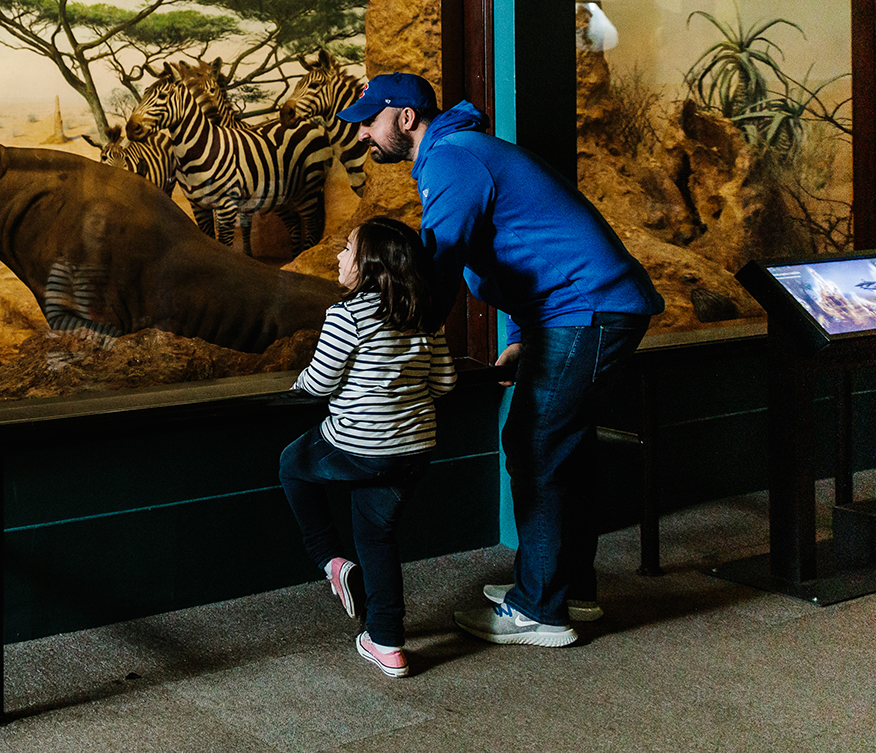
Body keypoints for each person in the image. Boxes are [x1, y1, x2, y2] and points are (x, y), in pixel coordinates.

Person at [339, 72, 661, 648]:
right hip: (578, 310)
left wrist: (380, 338)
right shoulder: (464, 153)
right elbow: (513, 250)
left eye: (370, 121)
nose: (363, 134)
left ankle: (539, 610)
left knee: (535, 444)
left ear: (406, 118)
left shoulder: (452, 160)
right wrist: (518, 331)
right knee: (564, 445)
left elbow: (435, 267)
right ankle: (569, 590)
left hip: (586, 308)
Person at [279, 215, 457, 678]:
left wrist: (296, 383)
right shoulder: (426, 313)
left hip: (356, 448)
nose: (339, 256)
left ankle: (329, 560)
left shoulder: (346, 314)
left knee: (291, 465)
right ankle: (388, 644)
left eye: (347, 249)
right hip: (414, 451)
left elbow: (319, 383)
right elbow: (445, 382)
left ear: (370, 264)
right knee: (377, 536)